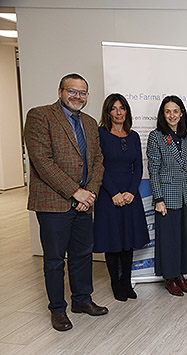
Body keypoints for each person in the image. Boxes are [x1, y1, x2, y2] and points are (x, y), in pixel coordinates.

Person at [24, 73, 108, 331]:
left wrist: (89, 193)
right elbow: (42, 162)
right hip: (53, 203)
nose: (78, 97)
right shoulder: (40, 116)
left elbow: (97, 162)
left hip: (84, 202)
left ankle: (82, 300)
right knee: (54, 259)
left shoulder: (91, 123)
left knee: (82, 255)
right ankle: (58, 309)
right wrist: (75, 191)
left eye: (83, 93)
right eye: (73, 91)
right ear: (60, 91)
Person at [93, 93, 150, 301]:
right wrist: (114, 193)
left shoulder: (133, 135)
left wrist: (131, 191)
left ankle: (126, 281)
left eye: (122, 108)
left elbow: (138, 167)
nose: (119, 112)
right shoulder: (99, 134)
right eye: (114, 108)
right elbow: (98, 166)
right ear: (108, 112)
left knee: (128, 240)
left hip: (130, 196)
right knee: (113, 241)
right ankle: (115, 283)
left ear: (127, 111)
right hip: (109, 196)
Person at [147, 95, 187, 296]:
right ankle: (170, 278)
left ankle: (180, 275)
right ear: (163, 114)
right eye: (168, 111)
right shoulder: (156, 136)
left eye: (175, 111)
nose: (172, 115)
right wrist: (158, 199)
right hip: (167, 197)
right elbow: (153, 169)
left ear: (182, 113)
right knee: (169, 239)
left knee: (185, 238)